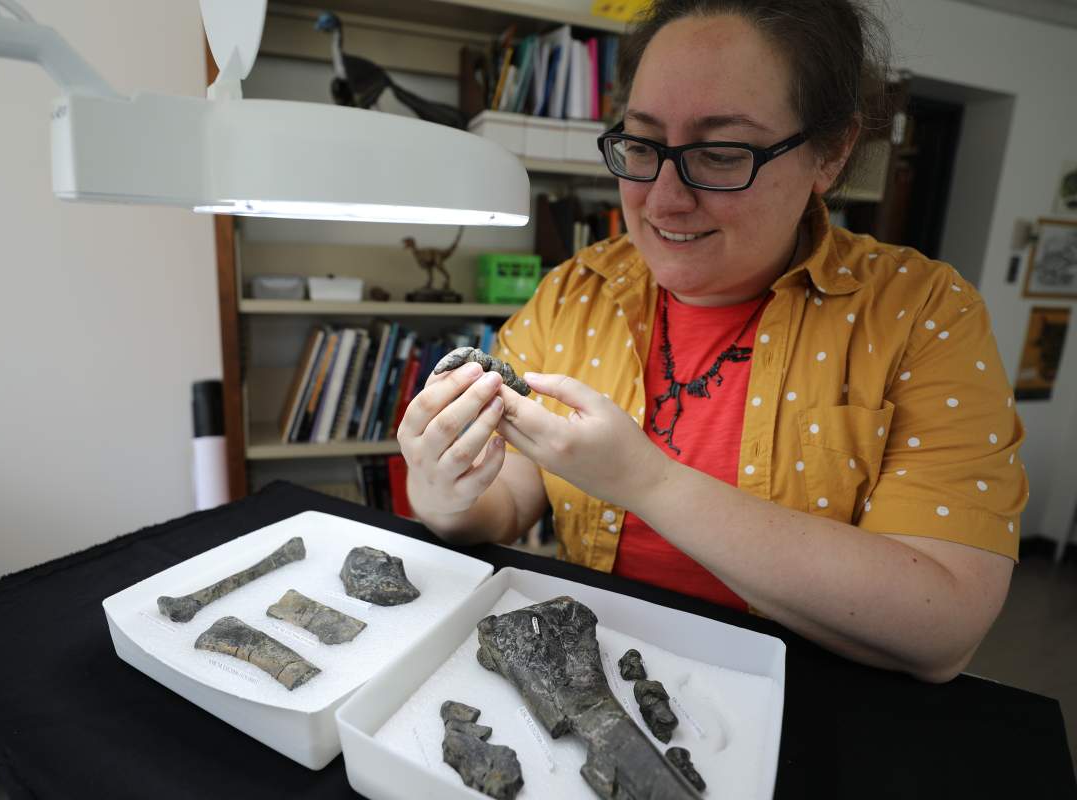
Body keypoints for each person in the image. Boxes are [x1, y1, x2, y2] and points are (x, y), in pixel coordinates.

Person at [397, 0, 1027, 683]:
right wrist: (443, 490)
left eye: (721, 153)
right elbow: (507, 502)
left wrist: (647, 482)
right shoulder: (578, 290)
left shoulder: (921, 313)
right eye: (641, 145)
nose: (662, 200)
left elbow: (944, 624)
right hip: (594, 689)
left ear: (833, 151)